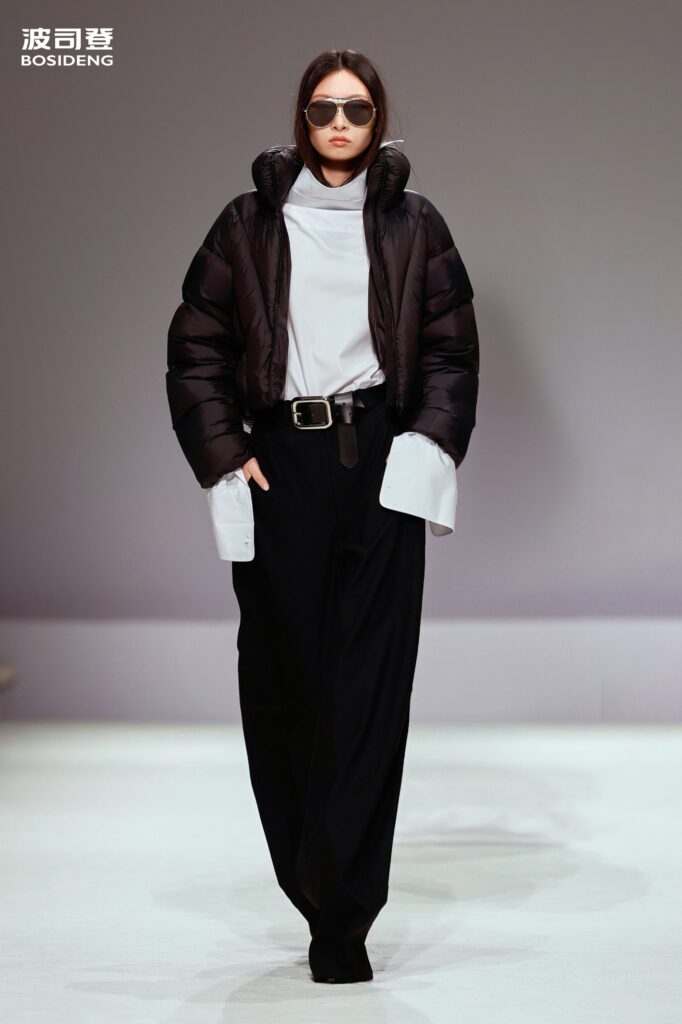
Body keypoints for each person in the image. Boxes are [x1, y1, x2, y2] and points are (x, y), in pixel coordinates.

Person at [166, 48, 479, 984]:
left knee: (374, 685)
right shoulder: (248, 223)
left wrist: (424, 447)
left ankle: (344, 912)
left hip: (383, 457)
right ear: (301, 119)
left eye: (356, 109)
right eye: (322, 109)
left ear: (379, 119)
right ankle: (312, 878)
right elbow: (197, 348)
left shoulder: (417, 225)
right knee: (284, 678)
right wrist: (226, 454)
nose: (339, 124)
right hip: (283, 463)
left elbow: (452, 351)